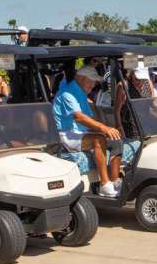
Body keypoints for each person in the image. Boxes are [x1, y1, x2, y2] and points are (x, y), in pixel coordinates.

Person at [52, 65, 122, 197]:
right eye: (92, 80)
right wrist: (103, 128)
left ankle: (115, 181)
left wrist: (108, 129)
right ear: (81, 78)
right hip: (67, 135)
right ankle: (104, 185)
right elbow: (78, 117)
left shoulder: (81, 93)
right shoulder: (67, 93)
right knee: (99, 139)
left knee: (115, 140)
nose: (94, 85)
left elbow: (89, 118)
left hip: (81, 133)